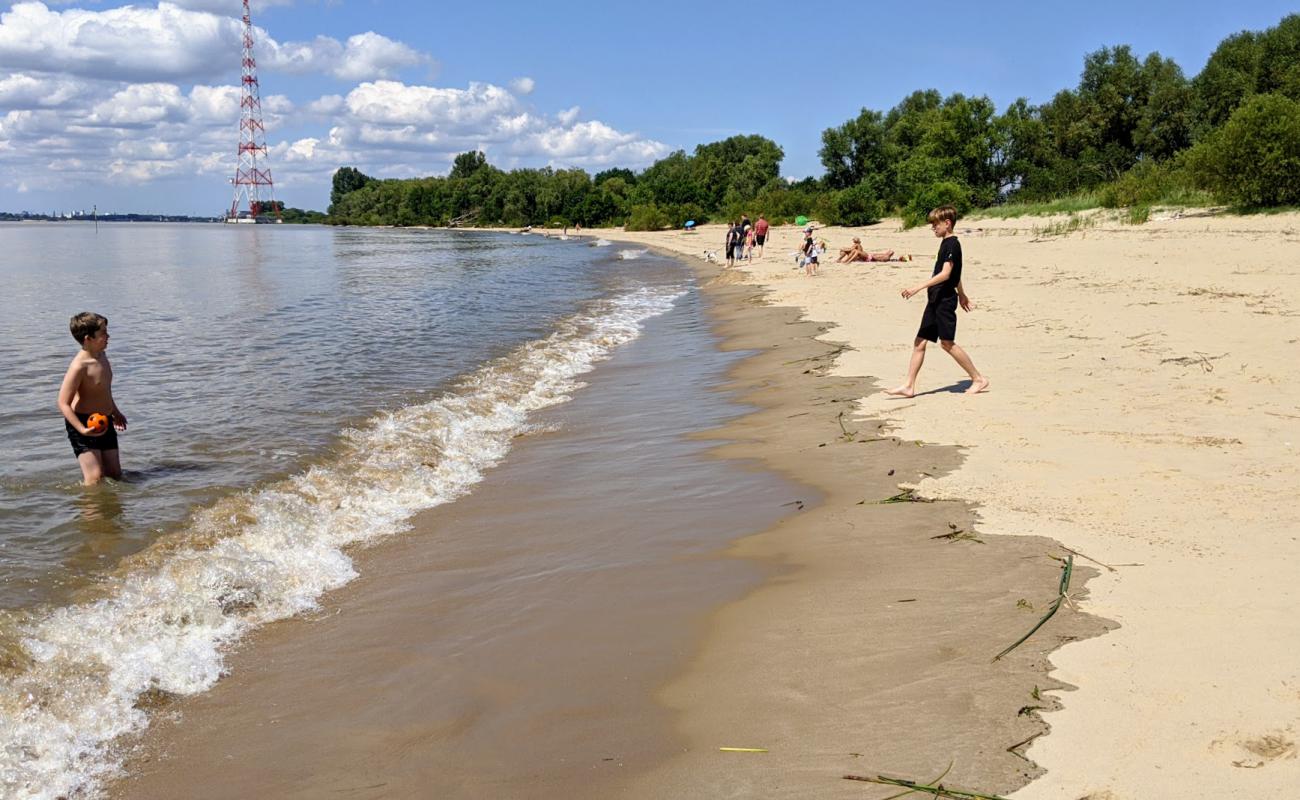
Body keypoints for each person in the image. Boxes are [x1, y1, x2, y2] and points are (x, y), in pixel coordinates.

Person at [884, 205, 989, 397]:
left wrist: (918, 286)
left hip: (944, 301)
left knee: (947, 343)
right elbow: (955, 275)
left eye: (935, 224)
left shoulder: (952, 244)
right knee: (919, 342)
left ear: (947, 223)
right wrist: (963, 294)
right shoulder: (945, 243)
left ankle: (978, 378)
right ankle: (909, 385)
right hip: (935, 300)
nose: (933, 228)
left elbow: (946, 274)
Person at [58, 312, 128, 484]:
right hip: (83, 423)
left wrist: (115, 412)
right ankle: (91, 509)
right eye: (103, 333)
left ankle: (113, 510)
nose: (108, 336)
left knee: (115, 474)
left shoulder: (102, 356)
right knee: (95, 478)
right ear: (88, 339)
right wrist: (81, 429)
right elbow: (62, 403)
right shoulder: (79, 366)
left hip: (104, 420)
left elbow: (103, 390)